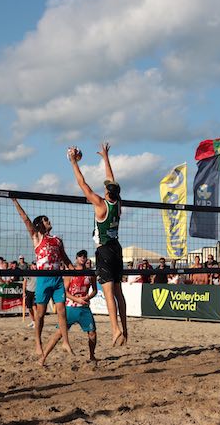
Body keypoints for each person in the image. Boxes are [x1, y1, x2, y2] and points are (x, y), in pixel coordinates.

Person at [69, 142, 127, 347]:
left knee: (109, 294)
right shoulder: (118, 203)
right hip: (117, 248)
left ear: (107, 193)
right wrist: (105, 158)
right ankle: (125, 329)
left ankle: (115, 330)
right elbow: (112, 181)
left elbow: (82, 183)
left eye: (105, 188)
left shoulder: (100, 204)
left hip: (104, 250)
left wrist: (73, 162)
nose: (104, 187)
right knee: (119, 293)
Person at [12, 198, 73, 357]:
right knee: (40, 314)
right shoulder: (37, 237)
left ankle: (66, 342)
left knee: (62, 311)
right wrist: (14, 200)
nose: (49, 221)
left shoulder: (57, 240)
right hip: (43, 278)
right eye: (46, 220)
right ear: (40, 224)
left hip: (57, 278)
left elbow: (65, 259)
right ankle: (38, 343)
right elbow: (25, 218)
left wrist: (75, 271)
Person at [40, 250, 97, 366]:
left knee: (92, 334)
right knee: (59, 333)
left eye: (84, 256)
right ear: (76, 258)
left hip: (84, 308)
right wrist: (77, 299)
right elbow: (64, 292)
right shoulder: (70, 272)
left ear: (86, 259)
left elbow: (95, 290)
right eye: (80, 256)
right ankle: (43, 358)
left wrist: (88, 297)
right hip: (71, 307)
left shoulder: (90, 274)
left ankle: (92, 356)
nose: (82, 257)